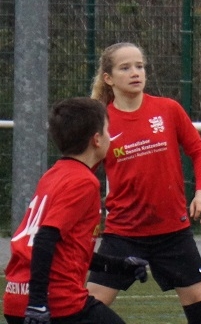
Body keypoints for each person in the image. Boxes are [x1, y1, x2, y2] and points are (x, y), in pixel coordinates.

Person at [87, 42, 201, 324]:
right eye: (125, 67)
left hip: (173, 231)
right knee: (89, 306)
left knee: (199, 305)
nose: (135, 72)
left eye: (140, 65)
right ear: (108, 78)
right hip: (124, 233)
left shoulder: (168, 109)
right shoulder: (102, 122)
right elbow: (84, 172)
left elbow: (199, 152)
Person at [4, 98, 149, 324]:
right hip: (56, 302)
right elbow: (44, 239)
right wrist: (38, 302)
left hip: (16, 298)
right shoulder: (83, 182)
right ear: (97, 140)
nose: (111, 136)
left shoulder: (53, 175)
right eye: (108, 130)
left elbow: (68, 250)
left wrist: (119, 266)